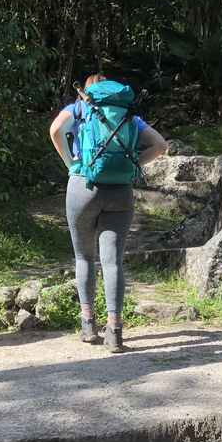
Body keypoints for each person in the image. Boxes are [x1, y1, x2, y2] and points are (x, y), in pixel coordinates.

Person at [48, 73, 167, 352]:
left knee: (84, 257)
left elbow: (55, 131)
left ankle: (88, 324)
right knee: (113, 262)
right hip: (121, 190)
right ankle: (114, 330)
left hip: (83, 186)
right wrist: (135, 163)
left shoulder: (79, 108)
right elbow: (161, 145)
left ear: (86, 92)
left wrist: (71, 164)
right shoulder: (127, 114)